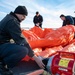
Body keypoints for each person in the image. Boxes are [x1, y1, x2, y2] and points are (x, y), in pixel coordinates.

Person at [0, 6, 45, 75]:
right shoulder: (13, 21)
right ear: (18, 13)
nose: (24, 18)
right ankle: (2, 66)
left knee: (18, 46)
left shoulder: (9, 18)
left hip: (2, 44)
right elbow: (22, 41)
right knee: (23, 50)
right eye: (23, 16)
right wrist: (35, 58)